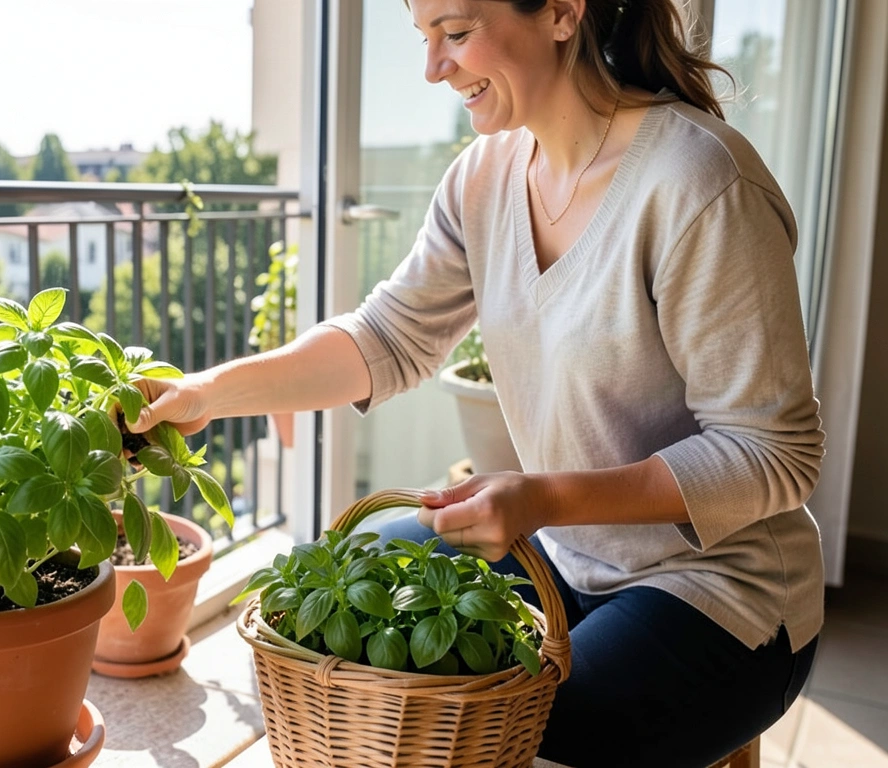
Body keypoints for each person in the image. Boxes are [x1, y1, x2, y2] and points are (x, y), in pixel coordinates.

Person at [126, 0, 825, 766]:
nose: (434, 68)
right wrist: (207, 394)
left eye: (456, 33)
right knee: (335, 598)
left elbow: (775, 453)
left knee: (522, 733)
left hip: (719, 587)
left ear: (561, 12)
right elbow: (389, 336)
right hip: (558, 552)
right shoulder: (484, 179)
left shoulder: (696, 182)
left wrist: (541, 497)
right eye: (424, 38)